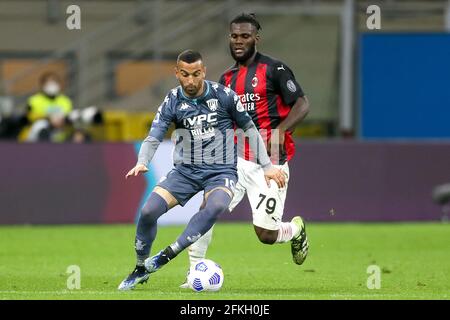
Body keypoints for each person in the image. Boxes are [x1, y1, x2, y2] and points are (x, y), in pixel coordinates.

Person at [118, 49, 286, 290]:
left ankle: (167, 254)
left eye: (196, 74)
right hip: (185, 171)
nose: (191, 81)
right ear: (176, 73)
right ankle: (141, 267)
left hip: (221, 172)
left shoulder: (224, 96)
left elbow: (249, 128)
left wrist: (267, 166)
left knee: (216, 205)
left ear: (204, 71)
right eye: (185, 74)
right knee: (147, 212)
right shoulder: (173, 99)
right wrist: (143, 160)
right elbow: (155, 133)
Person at [181, 13, 311, 286]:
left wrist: (280, 130)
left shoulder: (275, 70)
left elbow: (302, 105)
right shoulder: (226, 79)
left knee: (266, 234)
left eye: (245, 36)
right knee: (208, 207)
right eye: (234, 36)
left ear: (256, 38)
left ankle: (296, 229)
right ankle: (193, 272)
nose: (239, 41)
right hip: (236, 160)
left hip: (271, 163)